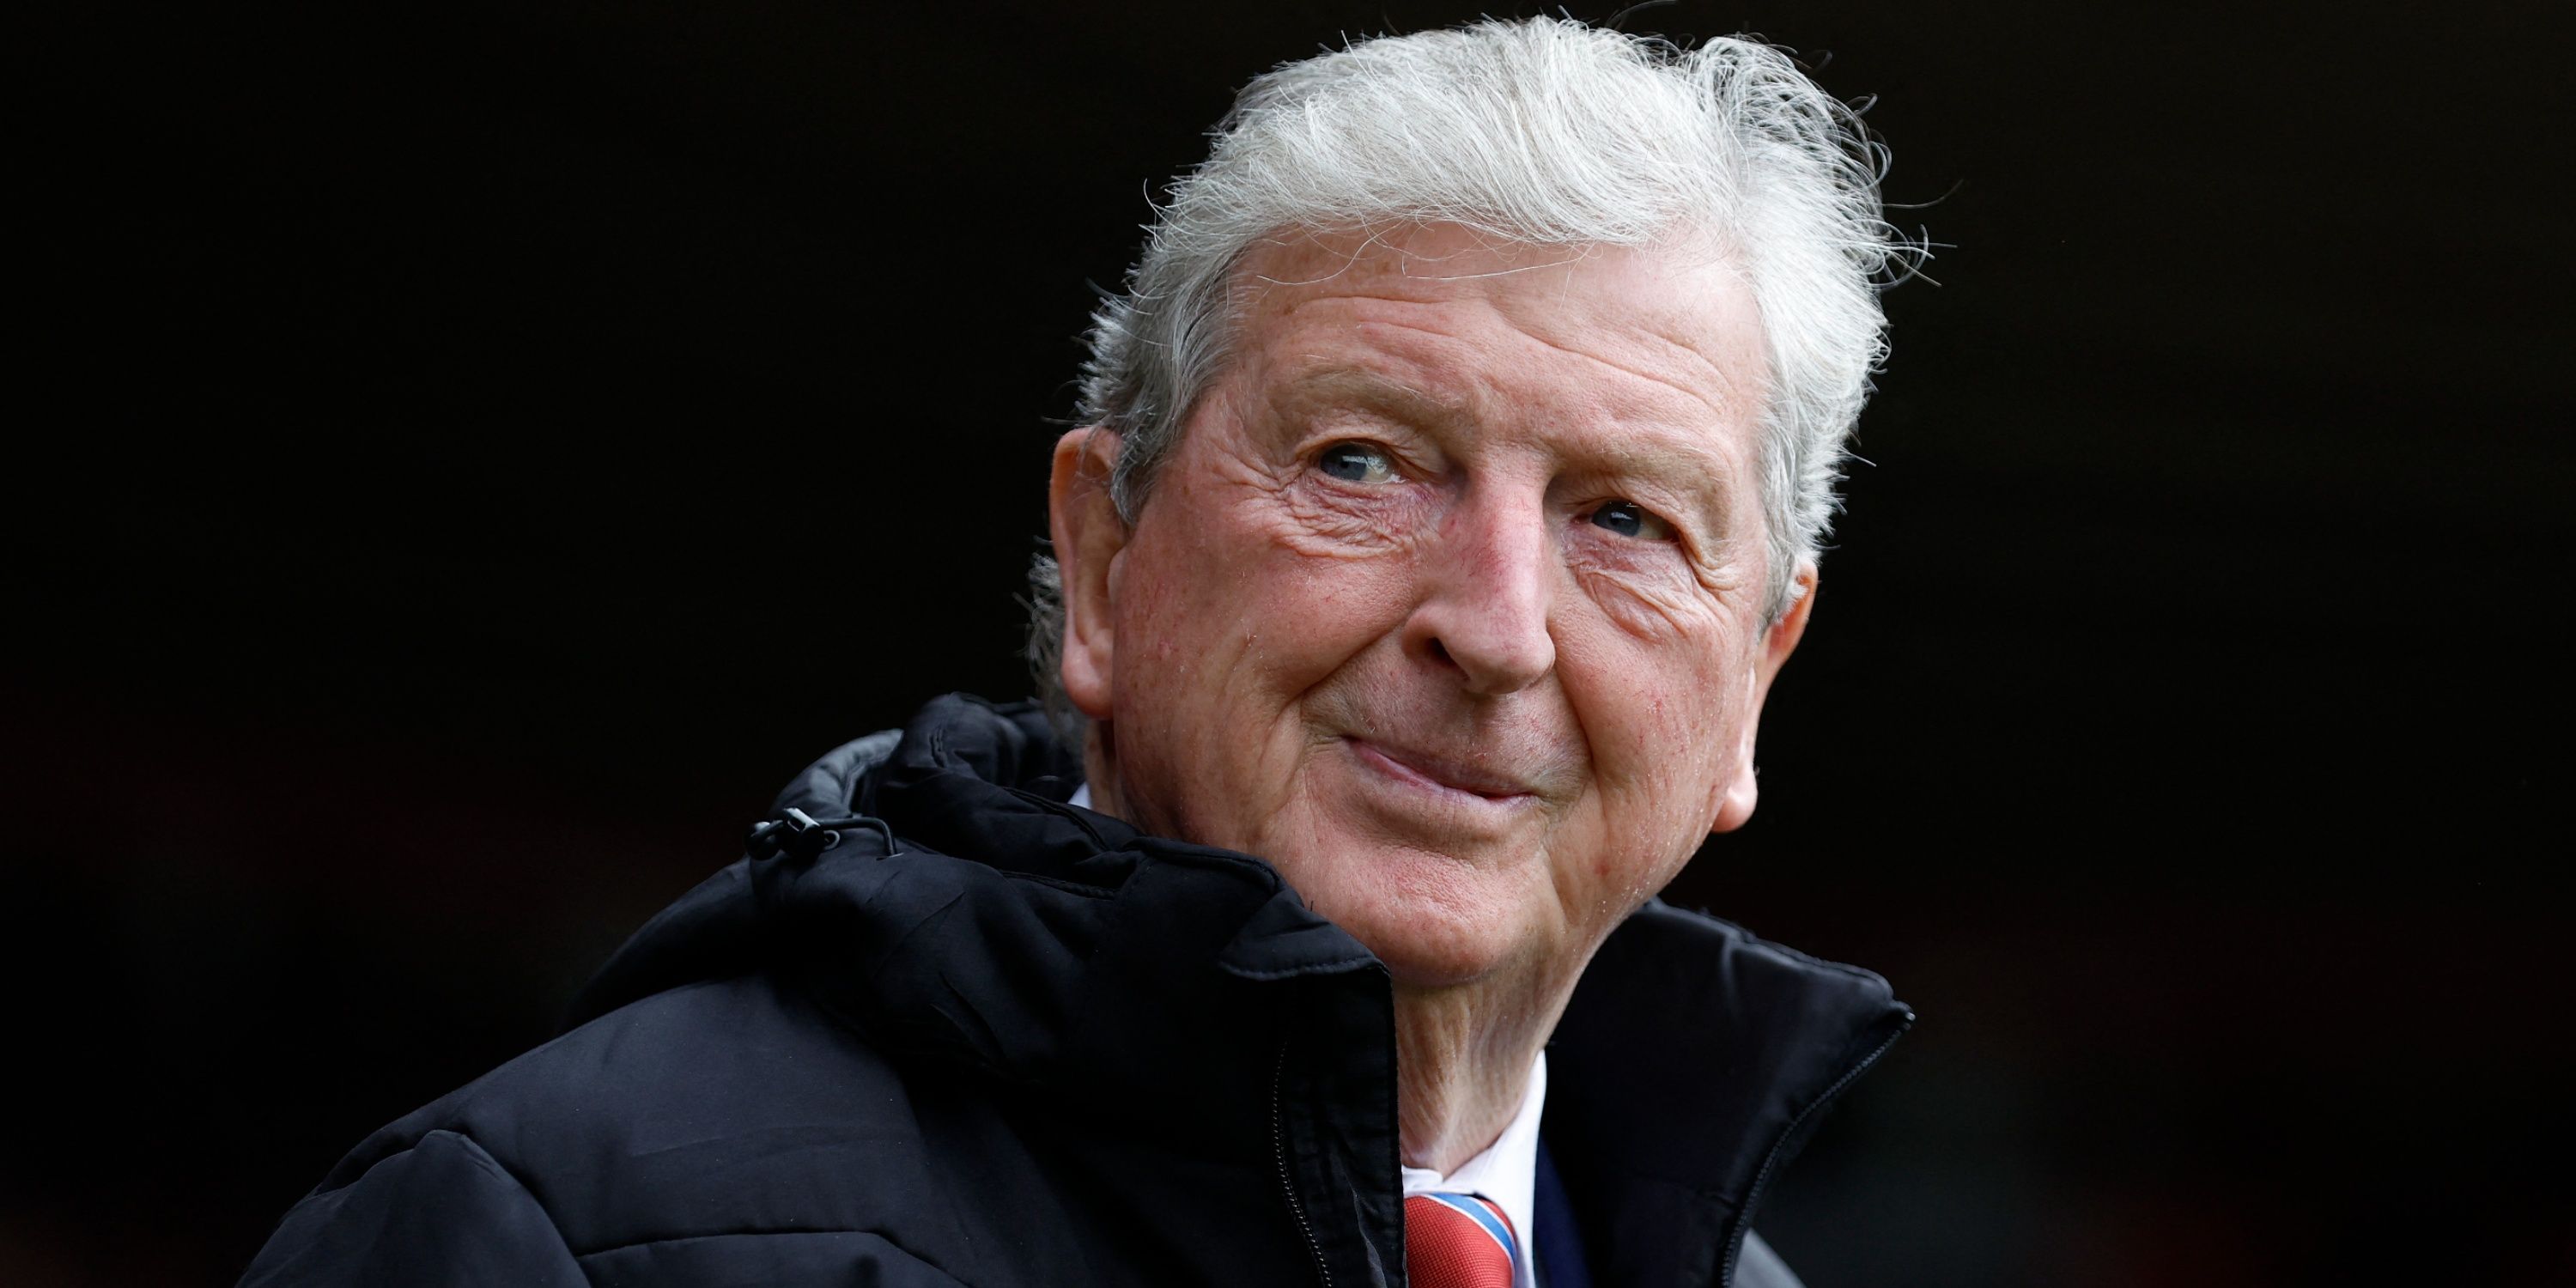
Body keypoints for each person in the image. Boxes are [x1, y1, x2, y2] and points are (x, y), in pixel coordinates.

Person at [241, 17, 1916, 1287]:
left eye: (1624, 519)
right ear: (1107, 557)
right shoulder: (564, 1235)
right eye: (1364, 462)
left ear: (1758, 673)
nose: (1492, 628)